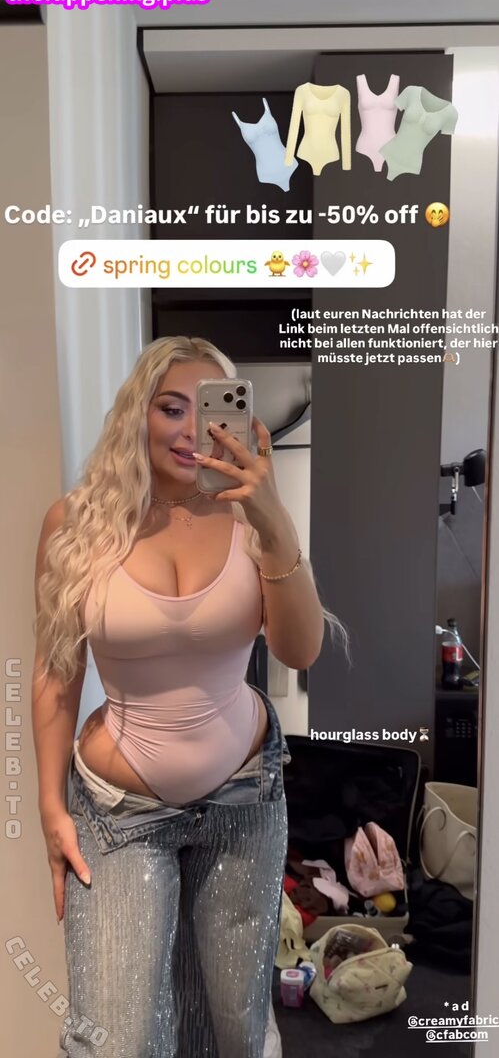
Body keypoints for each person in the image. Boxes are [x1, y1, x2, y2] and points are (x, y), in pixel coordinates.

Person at [32, 336, 346, 1058]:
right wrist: (49, 807)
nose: (188, 431)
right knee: (118, 1039)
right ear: (136, 414)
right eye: (170, 408)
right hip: (119, 813)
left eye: (208, 412)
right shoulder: (77, 523)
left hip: (244, 798)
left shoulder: (249, 518)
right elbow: (55, 672)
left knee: (234, 1031)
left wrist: (271, 516)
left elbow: (299, 651)